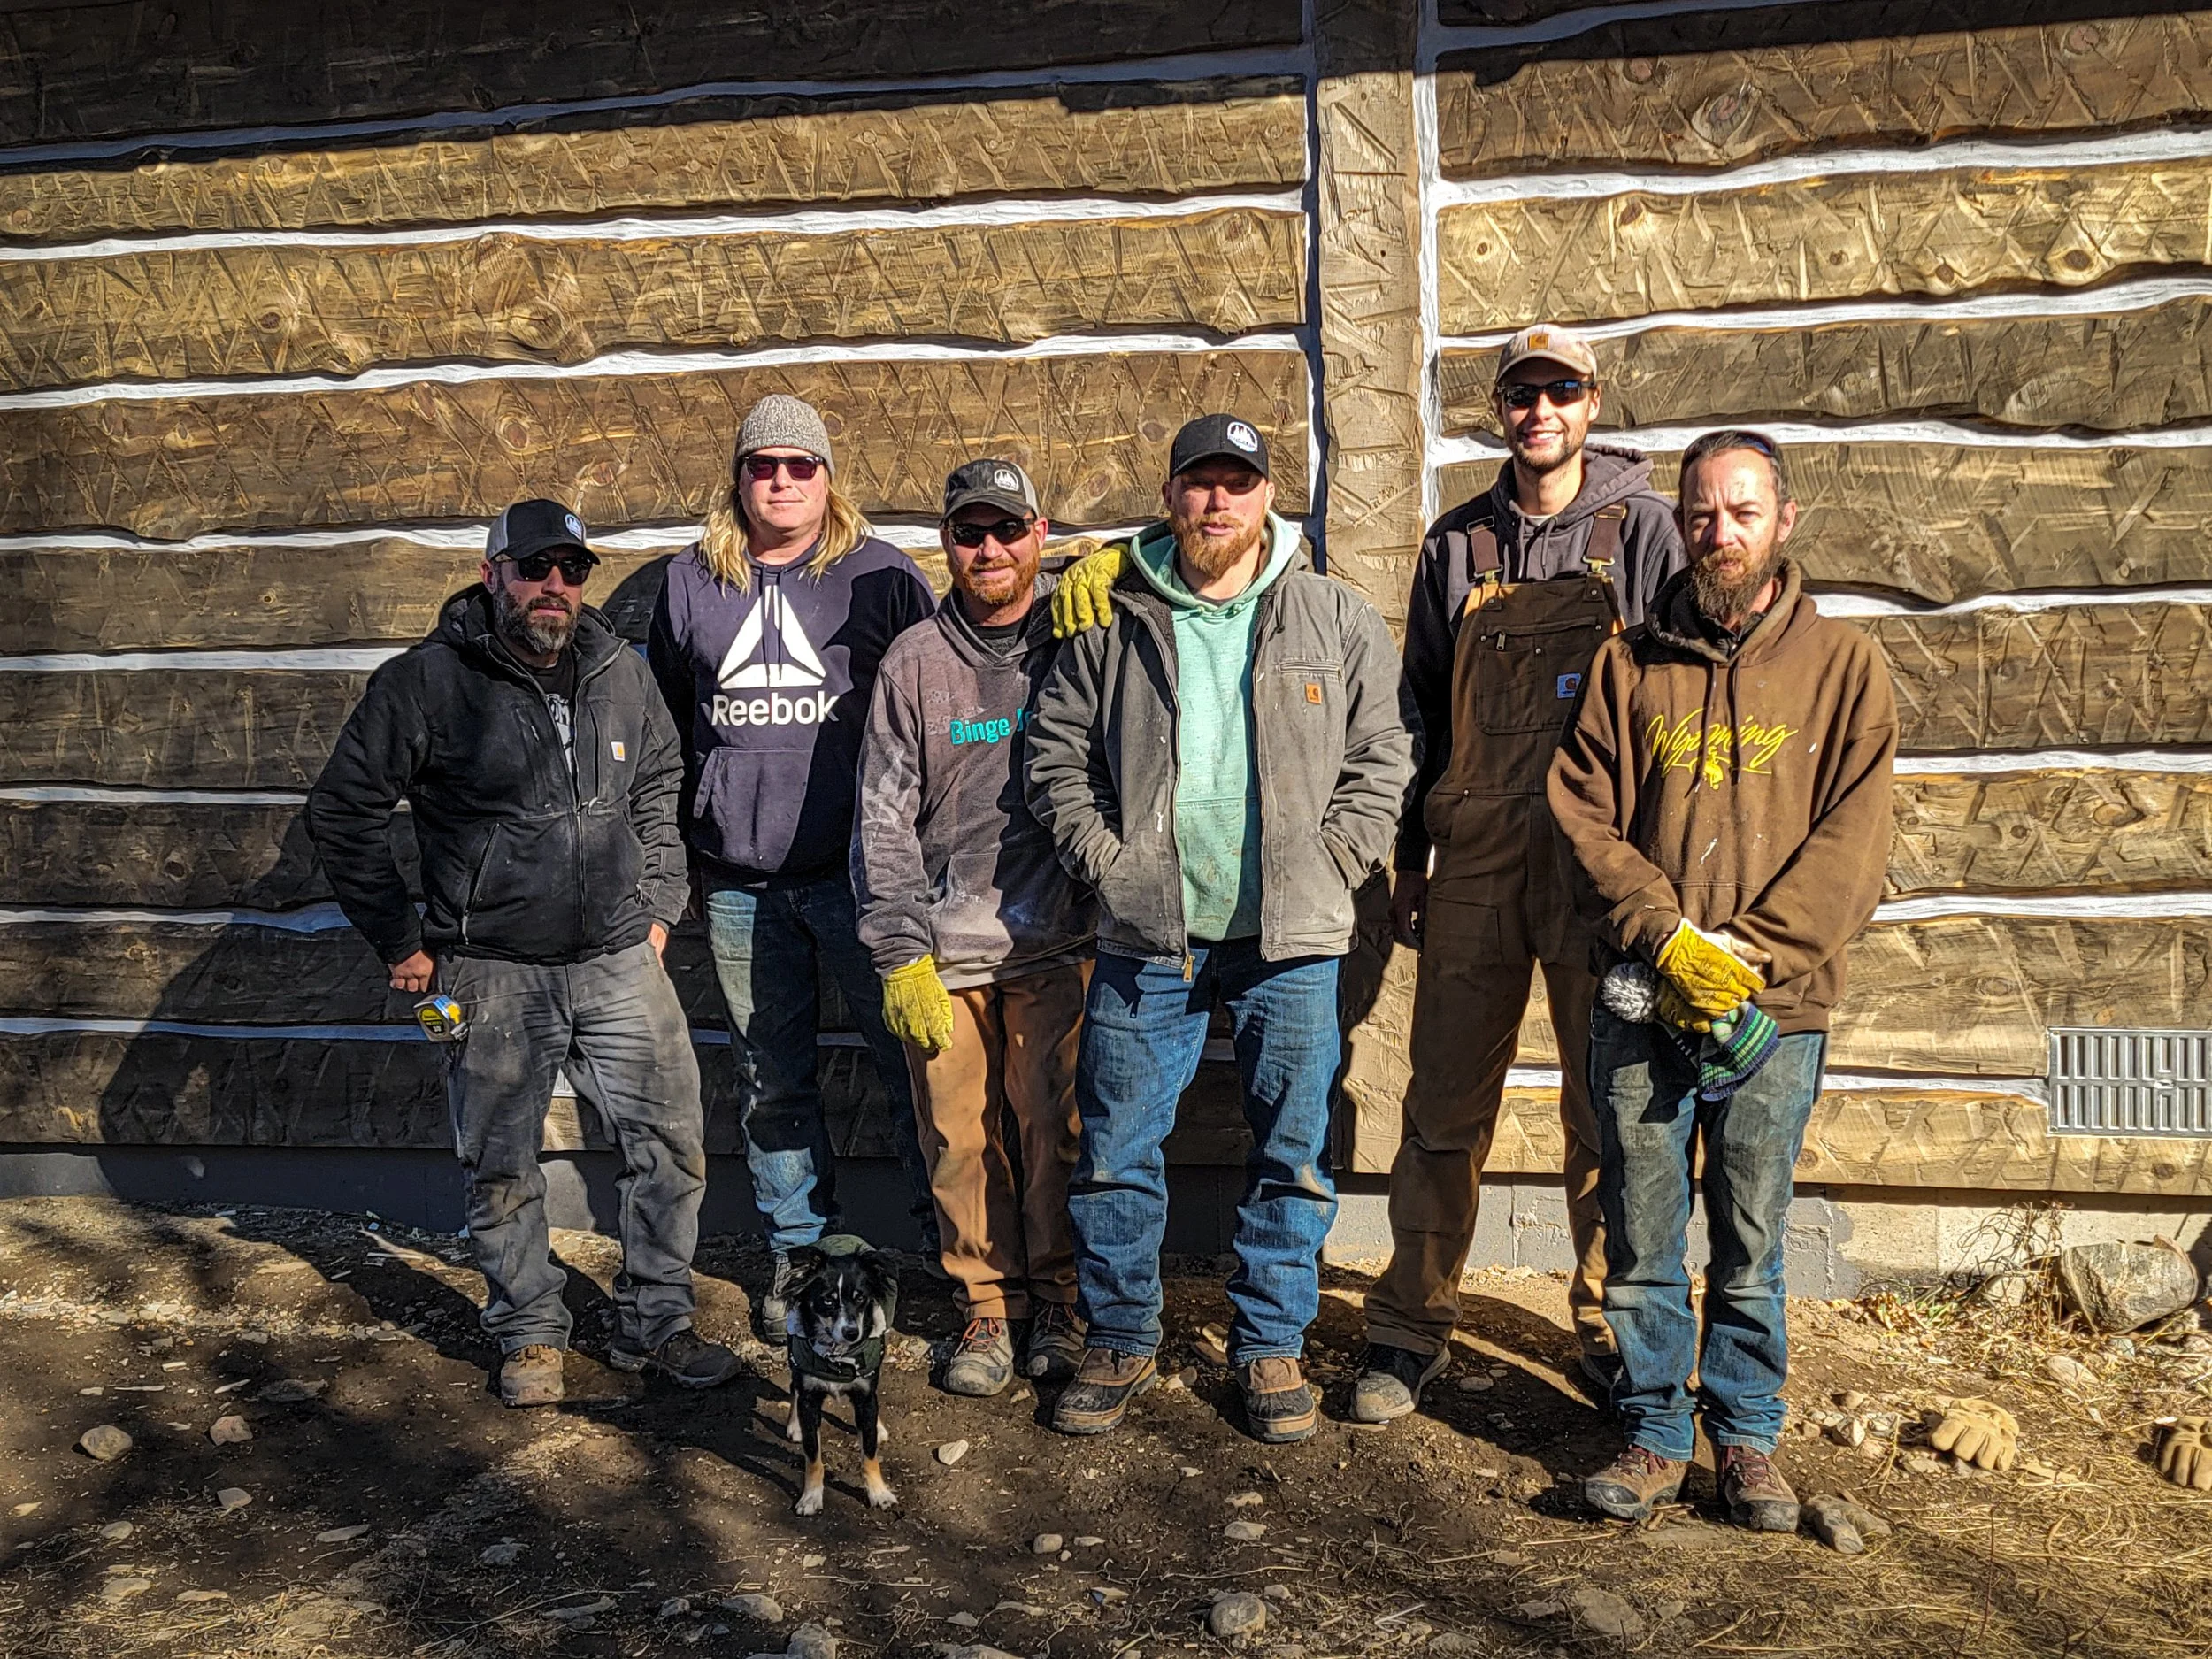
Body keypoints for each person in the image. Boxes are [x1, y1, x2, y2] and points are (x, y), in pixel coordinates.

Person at [1025, 414, 1415, 1443]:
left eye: (1236, 482)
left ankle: (1270, 1343)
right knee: (1115, 1149)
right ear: (1170, 496)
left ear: (1266, 496)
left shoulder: (1332, 616)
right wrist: (1110, 866)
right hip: (1147, 936)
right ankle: (1118, 1336)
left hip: (1289, 940)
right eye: (1199, 482)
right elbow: (1053, 755)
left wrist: (1332, 860)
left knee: (1291, 1149)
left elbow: (1383, 754)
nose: (1216, 502)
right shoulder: (1113, 616)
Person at [307, 499, 738, 1406]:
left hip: (620, 961)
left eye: (571, 571)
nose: (554, 588)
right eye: (535, 568)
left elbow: (661, 782)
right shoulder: (425, 684)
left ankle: (655, 1323)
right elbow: (343, 813)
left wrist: (657, 909)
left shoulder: (620, 672)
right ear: (491, 571)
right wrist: (400, 940)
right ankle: (530, 1332)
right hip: (489, 969)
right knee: (501, 1159)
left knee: (670, 1144)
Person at [1547, 429, 1897, 1530]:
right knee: (1644, 1231)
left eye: (1742, 511)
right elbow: (1581, 814)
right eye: (1701, 513)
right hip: (1645, 1000)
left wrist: (1748, 952)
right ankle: (1653, 1431)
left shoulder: (1844, 669)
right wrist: (1662, 936)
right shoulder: (1627, 664)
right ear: (1680, 525)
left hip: (1772, 1013)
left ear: (1783, 520)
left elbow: (1856, 841)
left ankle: (1744, 1439)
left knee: (1751, 1234)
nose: (1720, 532)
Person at [1352, 323, 1686, 1424]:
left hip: (1600, 857)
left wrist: (1663, 869)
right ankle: (1408, 1325)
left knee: (1609, 1108)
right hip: (1477, 857)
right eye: (1520, 394)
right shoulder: (1456, 544)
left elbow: (1682, 702)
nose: (1539, 410)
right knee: (1444, 1098)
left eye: (1561, 391)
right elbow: (1413, 711)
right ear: (1498, 411)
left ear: (1592, 404)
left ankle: (1612, 1329)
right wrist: (1408, 855)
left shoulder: (1645, 532)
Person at [648, 395, 938, 1334]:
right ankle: (800, 1256)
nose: (780, 480)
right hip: (739, 882)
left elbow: (941, 711)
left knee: (914, 1071)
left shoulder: (883, 579)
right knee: (773, 1081)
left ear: (828, 478)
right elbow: (660, 730)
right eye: (762, 464)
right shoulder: (690, 583)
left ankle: (952, 1258)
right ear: (736, 478)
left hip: (864, 882)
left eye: (799, 465)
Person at [853, 459, 1096, 1397]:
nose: (987, 550)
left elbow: (1192, 559)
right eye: (968, 533)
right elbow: (881, 813)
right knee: (958, 1139)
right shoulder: (915, 661)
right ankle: (986, 1307)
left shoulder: (1077, 635)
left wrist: (1111, 562)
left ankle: (1059, 1300)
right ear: (946, 545)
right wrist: (899, 951)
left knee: (1053, 1131)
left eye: (1006, 531)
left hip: (1059, 944)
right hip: (946, 954)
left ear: (1038, 534)